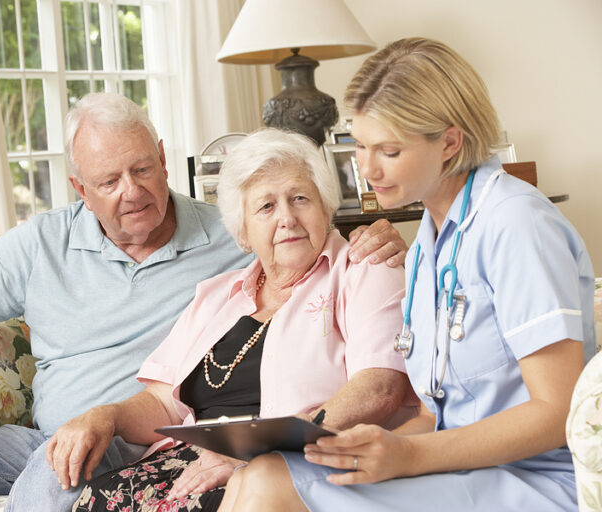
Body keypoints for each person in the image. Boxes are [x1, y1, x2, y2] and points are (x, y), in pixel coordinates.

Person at [0, 93, 408, 511]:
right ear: (80, 189)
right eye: (109, 180)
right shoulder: (47, 246)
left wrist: (382, 239)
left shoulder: (232, 236)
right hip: (61, 434)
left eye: (143, 169)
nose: (133, 191)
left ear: (164, 159)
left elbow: (372, 368)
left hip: (131, 446)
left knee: (63, 468)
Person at [217, 37, 597, 512]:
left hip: (537, 478)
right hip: (459, 468)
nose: (366, 169)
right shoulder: (426, 248)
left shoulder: (516, 224)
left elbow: (556, 411)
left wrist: (409, 454)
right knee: (259, 474)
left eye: (389, 151)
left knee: (271, 487)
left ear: (450, 143)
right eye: (360, 146)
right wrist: (367, 446)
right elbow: (432, 415)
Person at [66, 128, 418, 512]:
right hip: (196, 460)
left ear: (326, 207)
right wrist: (108, 415)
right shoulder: (218, 295)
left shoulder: (365, 268)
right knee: (96, 498)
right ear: (244, 233)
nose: (287, 218)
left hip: (297, 462)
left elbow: (379, 390)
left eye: (300, 199)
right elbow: (165, 403)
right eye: (266, 207)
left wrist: (254, 449)